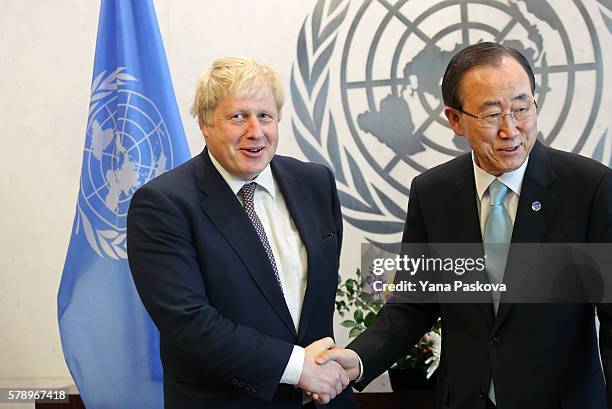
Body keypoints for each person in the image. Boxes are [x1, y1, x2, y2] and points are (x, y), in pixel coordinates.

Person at [317, 42, 612, 409]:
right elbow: (413, 304)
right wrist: (358, 359)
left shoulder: (589, 188)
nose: (511, 129)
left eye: (521, 108)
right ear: (455, 120)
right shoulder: (433, 193)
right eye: (491, 115)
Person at [127, 56, 356, 408]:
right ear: (204, 123)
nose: (255, 131)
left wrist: (321, 371)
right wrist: (297, 368)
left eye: (265, 116)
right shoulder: (163, 204)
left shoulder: (316, 183)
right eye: (238, 117)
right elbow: (190, 324)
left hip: (324, 398)